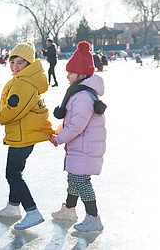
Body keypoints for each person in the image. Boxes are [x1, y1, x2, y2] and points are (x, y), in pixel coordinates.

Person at [0, 42, 54, 230]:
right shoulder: (25, 80)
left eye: (20, 63)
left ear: (29, 64)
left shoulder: (23, 84)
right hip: (23, 134)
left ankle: (32, 211)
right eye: (12, 63)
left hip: (23, 136)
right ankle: (13, 207)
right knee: (15, 172)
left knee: (13, 174)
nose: (15, 67)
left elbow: (12, 111)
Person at [50, 41, 106, 232]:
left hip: (85, 147)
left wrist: (59, 138)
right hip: (81, 146)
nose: (67, 76)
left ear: (81, 74)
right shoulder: (79, 93)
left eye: (70, 73)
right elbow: (72, 121)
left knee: (81, 181)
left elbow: (77, 126)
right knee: (74, 179)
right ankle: (69, 209)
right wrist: (59, 130)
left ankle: (93, 217)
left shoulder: (82, 96)